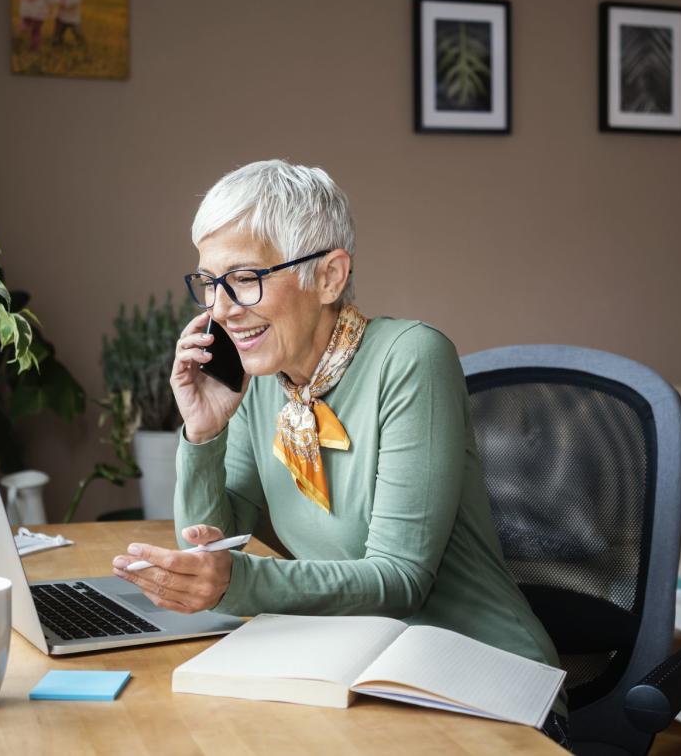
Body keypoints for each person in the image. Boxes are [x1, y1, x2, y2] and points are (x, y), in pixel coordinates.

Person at [110, 160, 569, 747]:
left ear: (329, 276)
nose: (221, 308)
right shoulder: (261, 382)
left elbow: (401, 580)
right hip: (357, 669)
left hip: (482, 679)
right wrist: (203, 434)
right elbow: (210, 541)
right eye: (208, 283)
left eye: (244, 277)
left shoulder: (410, 358)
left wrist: (237, 582)